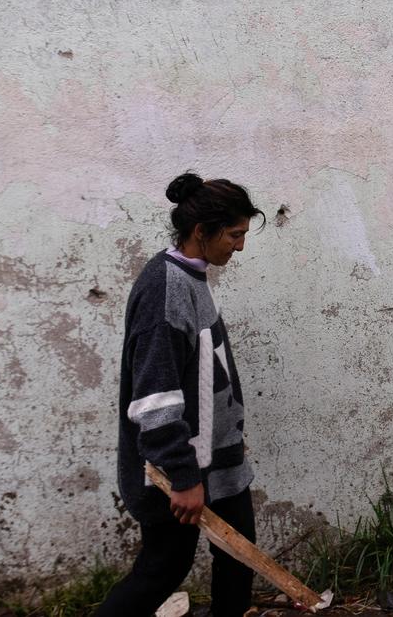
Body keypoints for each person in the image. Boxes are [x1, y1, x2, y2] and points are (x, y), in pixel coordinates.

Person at [97, 172, 266, 617]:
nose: (240, 246)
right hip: (180, 471)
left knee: (238, 556)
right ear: (200, 231)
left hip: (218, 460)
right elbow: (155, 396)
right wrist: (183, 475)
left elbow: (208, 372)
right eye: (234, 235)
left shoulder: (192, 277)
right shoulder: (165, 288)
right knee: (161, 570)